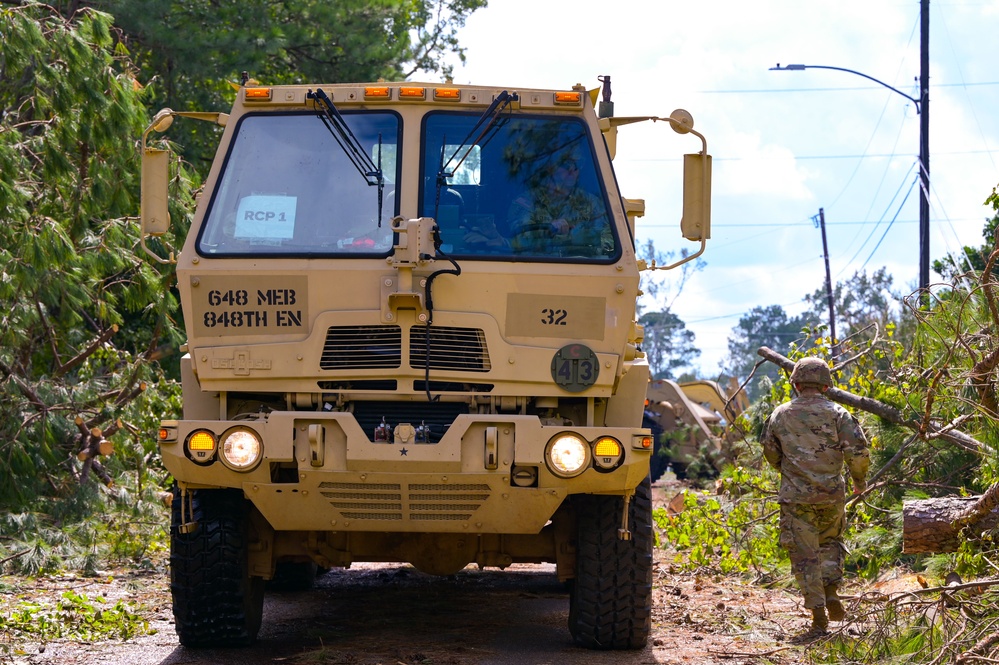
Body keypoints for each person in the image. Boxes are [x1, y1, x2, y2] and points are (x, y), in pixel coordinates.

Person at [761, 357, 870, 638]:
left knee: (805, 555)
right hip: (831, 495)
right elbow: (857, 452)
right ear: (826, 385)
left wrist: (791, 471)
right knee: (830, 543)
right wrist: (859, 481)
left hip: (796, 497)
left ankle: (819, 619)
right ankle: (831, 591)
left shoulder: (780, 414)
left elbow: (771, 452)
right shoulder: (839, 413)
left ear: (796, 384)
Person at [507, 156, 613, 257]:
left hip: (582, 267)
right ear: (550, 168)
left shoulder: (591, 202)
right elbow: (519, 237)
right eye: (566, 165)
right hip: (538, 266)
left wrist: (579, 238)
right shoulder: (527, 200)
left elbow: (611, 239)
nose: (572, 170)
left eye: (577, 165)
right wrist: (548, 231)